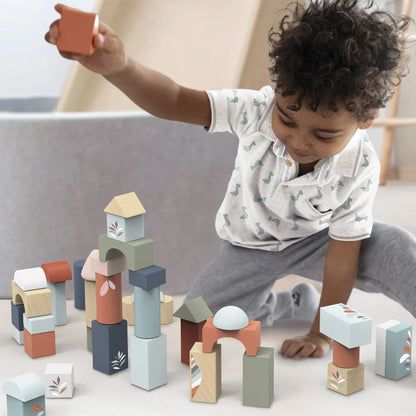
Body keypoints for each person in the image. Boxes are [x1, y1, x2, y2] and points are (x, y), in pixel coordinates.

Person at [45, 0, 414, 359]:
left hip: (320, 244)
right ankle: (285, 304)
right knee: (199, 321)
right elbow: (173, 99)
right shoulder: (255, 109)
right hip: (248, 246)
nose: (300, 142)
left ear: (366, 118)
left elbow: (342, 255)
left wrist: (322, 333)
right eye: (287, 120)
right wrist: (119, 68)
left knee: (396, 246)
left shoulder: (360, 163)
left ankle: (295, 303)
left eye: (324, 135)